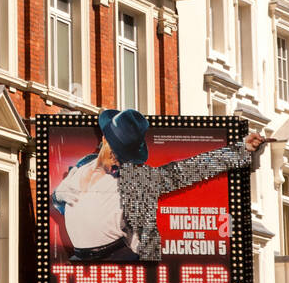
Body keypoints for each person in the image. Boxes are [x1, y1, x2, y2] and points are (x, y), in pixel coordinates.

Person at [50, 109, 266, 263]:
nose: (118, 159)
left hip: (117, 260)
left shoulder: (137, 178)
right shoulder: (81, 164)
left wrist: (241, 149)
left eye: (125, 155)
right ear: (104, 138)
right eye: (115, 151)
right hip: (79, 262)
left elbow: (188, 170)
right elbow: (62, 205)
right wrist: (58, 196)